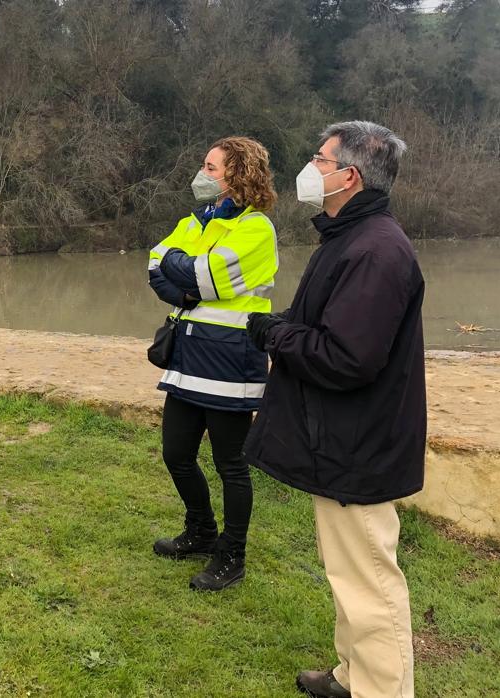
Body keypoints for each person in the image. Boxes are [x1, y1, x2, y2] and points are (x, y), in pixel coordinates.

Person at [243, 121, 425, 698]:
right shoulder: (350, 237)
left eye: (320, 160)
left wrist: (275, 336)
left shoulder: (375, 250)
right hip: (341, 440)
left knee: (369, 581)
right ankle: (354, 675)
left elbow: (347, 357)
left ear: (349, 175)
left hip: (359, 446)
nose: (310, 169)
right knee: (348, 573)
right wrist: (286, 331)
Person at [146, 136, 279, 591]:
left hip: (230, 361)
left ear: (237, 174)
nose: (202, 173)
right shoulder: (194, 221)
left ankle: (231, 555)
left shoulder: (256, 228)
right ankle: (201, 530)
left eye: (211, 166)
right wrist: (187, 280)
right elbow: (155, 264)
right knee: (176, 454)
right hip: (186, 358)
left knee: (230, 465)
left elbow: (209, 275)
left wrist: (188, 274)